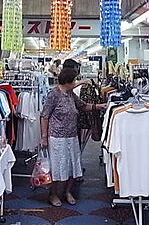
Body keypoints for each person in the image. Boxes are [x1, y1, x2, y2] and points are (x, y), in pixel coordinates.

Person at [40, 69, 104, 206]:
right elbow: (45, 116)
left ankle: (67, 192)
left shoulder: (70, 94)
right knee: (57, 167)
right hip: (57, 138)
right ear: (67, 82)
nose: (75, 83)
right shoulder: (54, 95)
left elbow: (82, 106)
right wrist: (44, 137)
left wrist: (98, 106)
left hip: (72, 136)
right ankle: (53, 194)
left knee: (72, 165)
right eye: (74, 81)